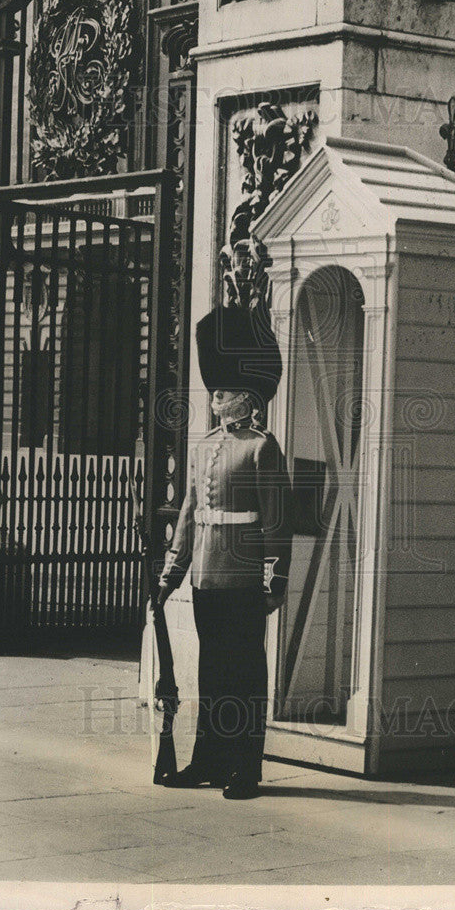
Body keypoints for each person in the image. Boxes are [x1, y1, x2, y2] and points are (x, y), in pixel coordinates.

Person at [155, 303, 293, 800]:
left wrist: (273, 579)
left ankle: (244, 767)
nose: (217, 395)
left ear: (249, 398)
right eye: (216, 387)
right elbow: (191, 515)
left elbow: (278, 522)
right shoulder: (203, 446)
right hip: (206, 579)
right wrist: (172, 573)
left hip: (243, 579)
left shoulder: (263, 447)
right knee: (211, 673)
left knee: (244, 675)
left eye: (228, 389)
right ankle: (209, 759)